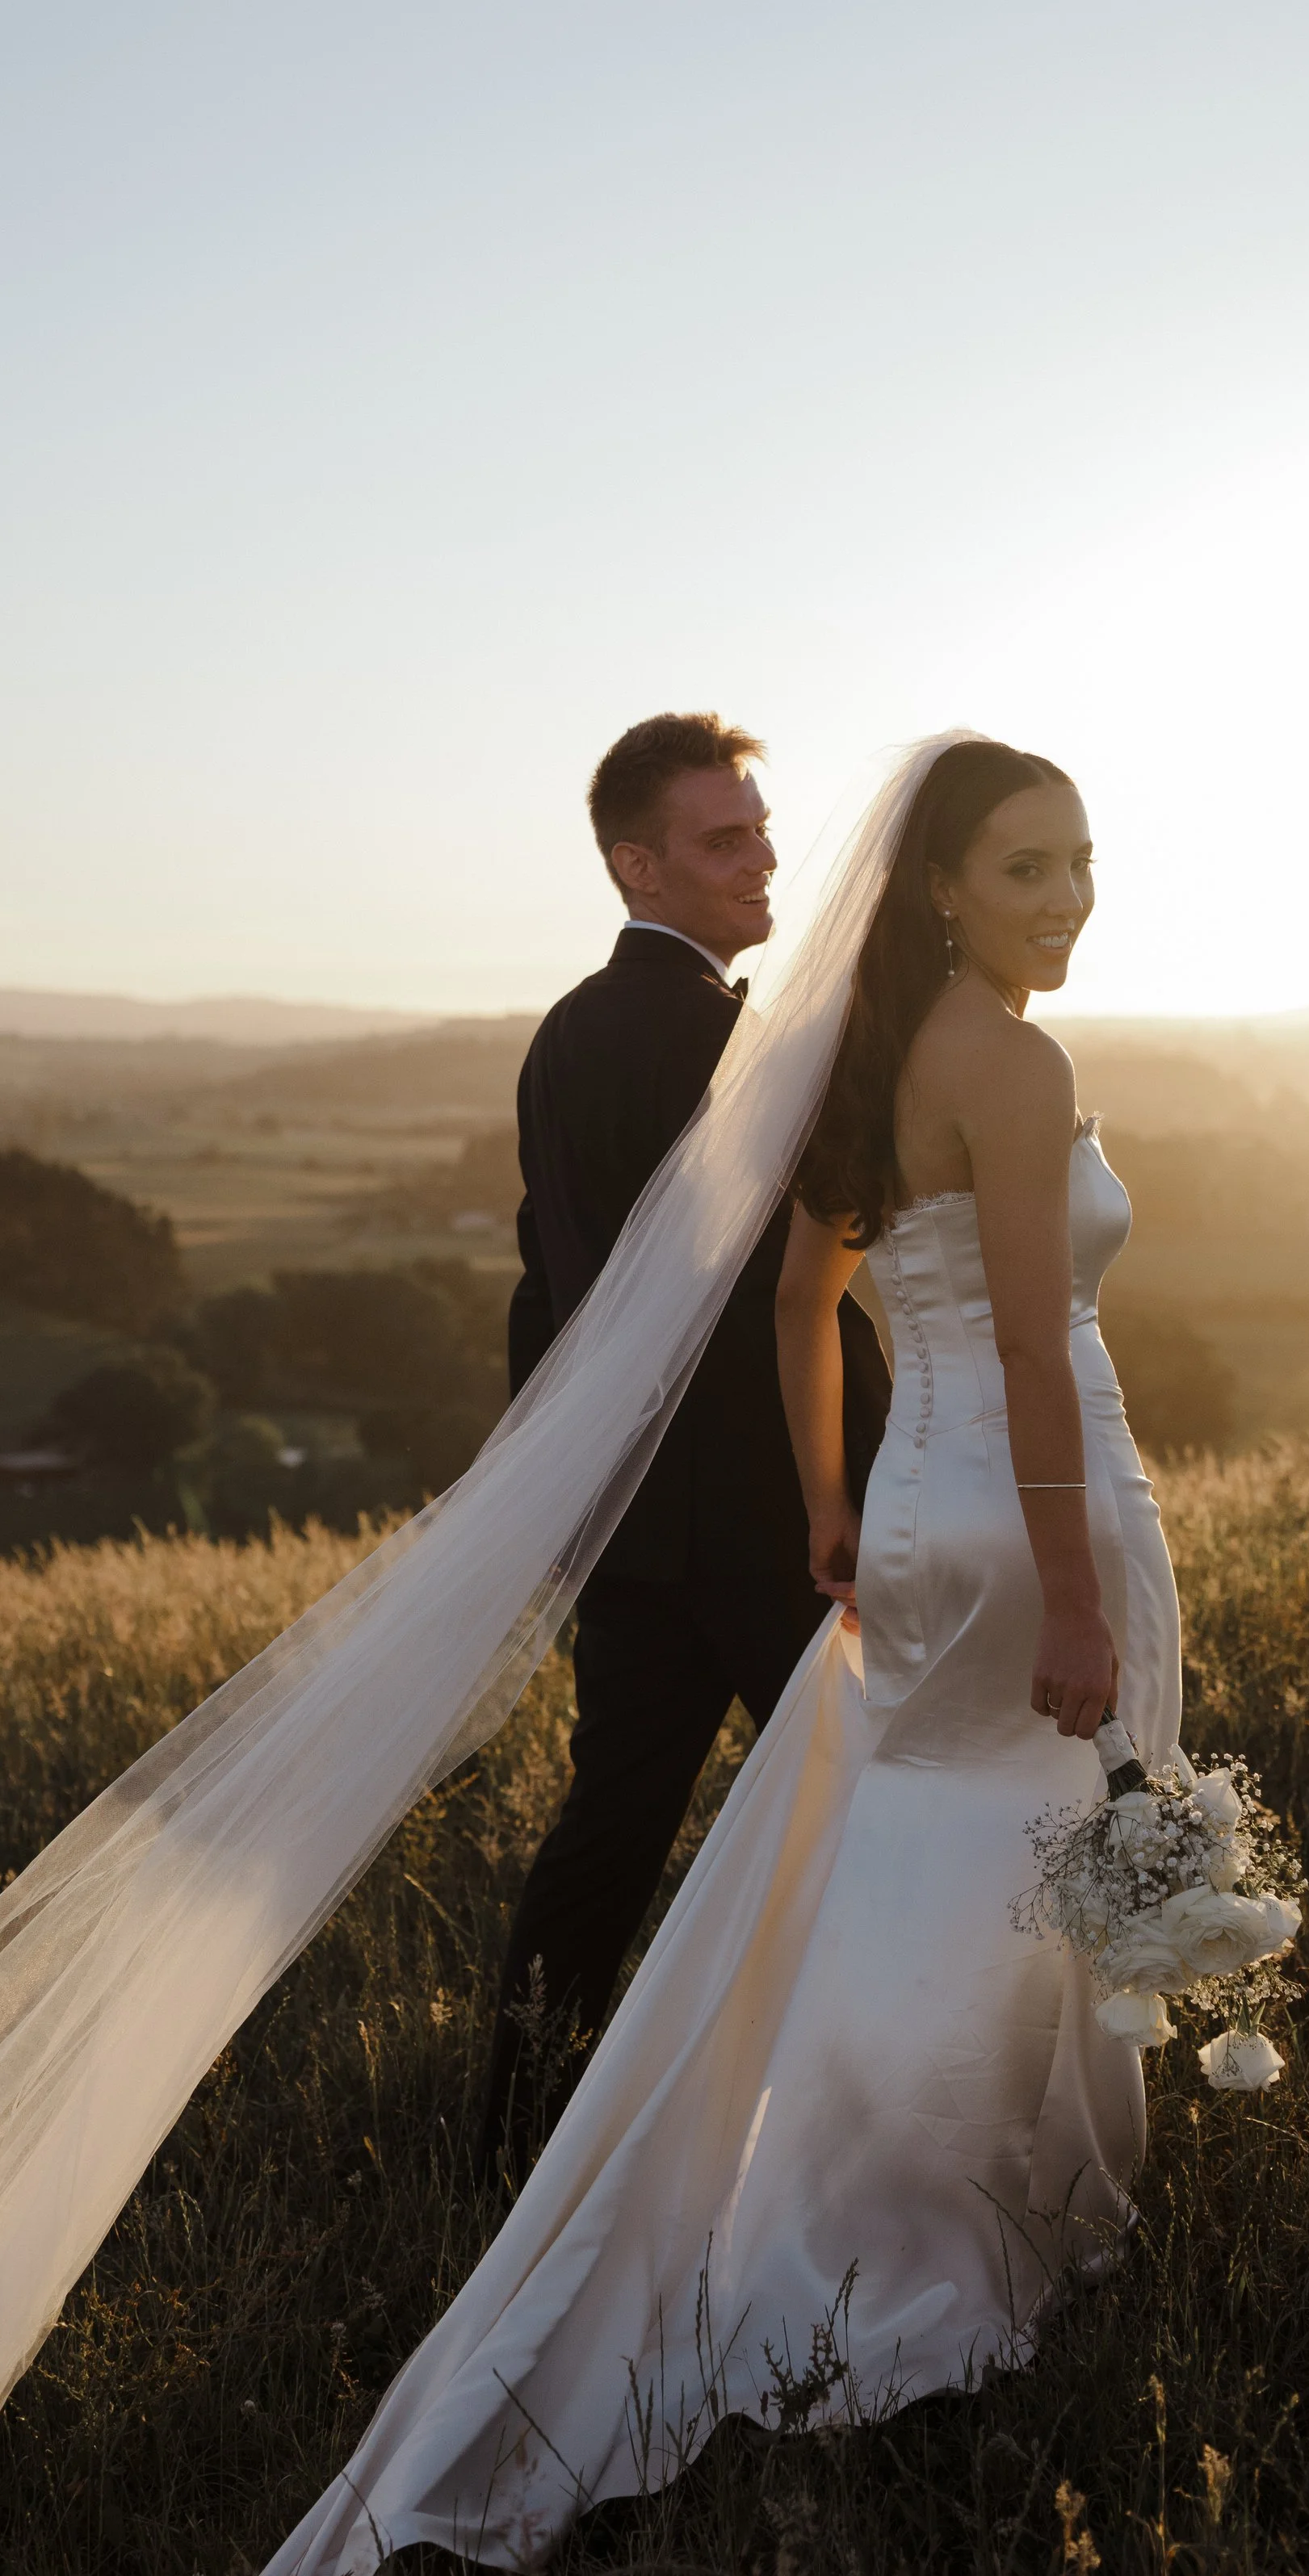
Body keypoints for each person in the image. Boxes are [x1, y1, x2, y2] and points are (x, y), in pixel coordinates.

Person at [50, 735, 1186, 2576]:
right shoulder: (978, 1066)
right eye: (1033, 862)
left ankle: (877, 2187)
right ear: (945, 878)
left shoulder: (834, 1050)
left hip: (891, 1520)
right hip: (972, 1524)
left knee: (907, 1862)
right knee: (951, 1870)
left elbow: (783, 1289)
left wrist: (843, 1511)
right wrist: (1057, 1589)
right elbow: (1008, 1347)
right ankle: (899, 2242)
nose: (1075, 894)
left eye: (1088, 859)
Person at [483, 712, 890, 2176]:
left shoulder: (565, 1036)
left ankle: (513, 2131)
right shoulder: (737, 1046)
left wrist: (589, 1471)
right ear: (633, 864)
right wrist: (860, 1475)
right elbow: (803, 1297)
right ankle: (846, 2127)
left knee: (612, 1829)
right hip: (774, 1505)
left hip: (638, 1514)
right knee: (867, 1810)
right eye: (724, 841)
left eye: (762, 831)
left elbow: (551, 1289)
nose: (762, 861)